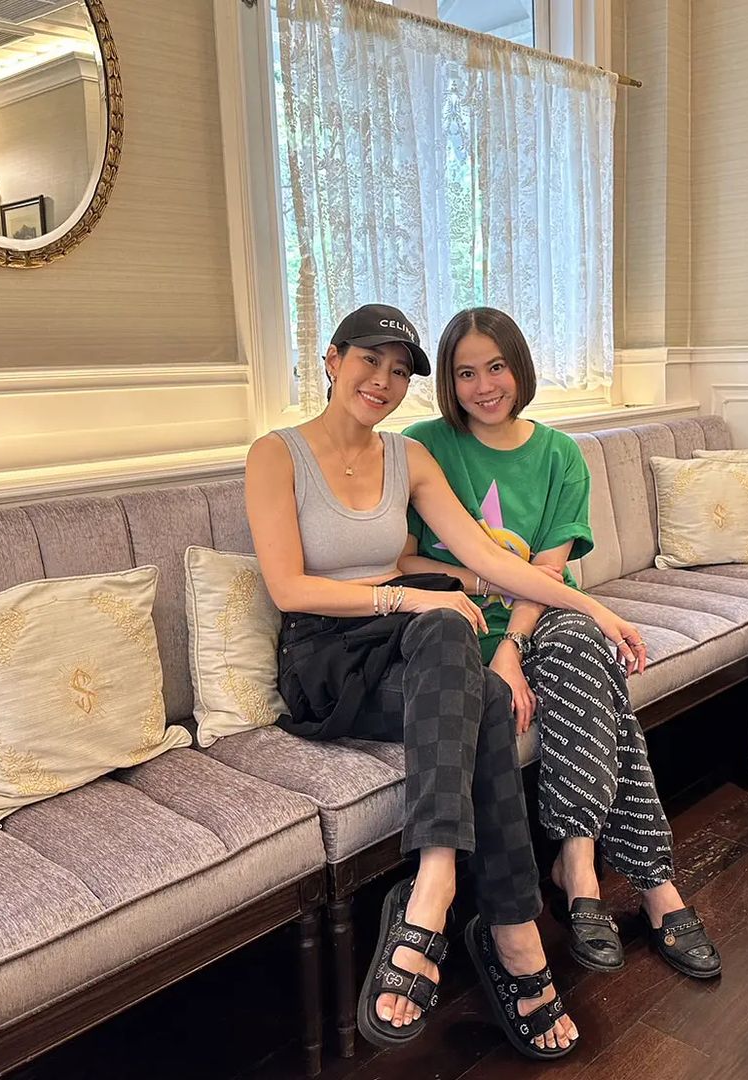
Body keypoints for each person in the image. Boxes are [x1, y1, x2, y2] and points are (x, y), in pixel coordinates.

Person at [245, 304, 649, 1060]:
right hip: (324, 658)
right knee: (464, 657)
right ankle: (511, 930)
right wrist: (409, 597)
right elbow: (289, 588)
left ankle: (435, 885)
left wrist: (593, 607)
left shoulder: (408, 458)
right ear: (332, 360)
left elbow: (490, 559)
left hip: (406, 648)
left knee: (464, 653)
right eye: (370, 361)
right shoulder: (277, 454)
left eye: (399, 370)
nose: (384, 380)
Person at [401, 307, 721, 979]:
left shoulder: (558, 455)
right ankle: (649, 881)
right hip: (453, 626)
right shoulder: (421, 446)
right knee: (600, 673)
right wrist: (476, 585)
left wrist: (512, 649)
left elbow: (547, 576)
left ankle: (578, 864)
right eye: (465, 373)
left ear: (519, 366)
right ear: (448, 383)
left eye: (496, 367)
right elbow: (404, 560)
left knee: (578, 640)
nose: (484, 386)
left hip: (539, 615)